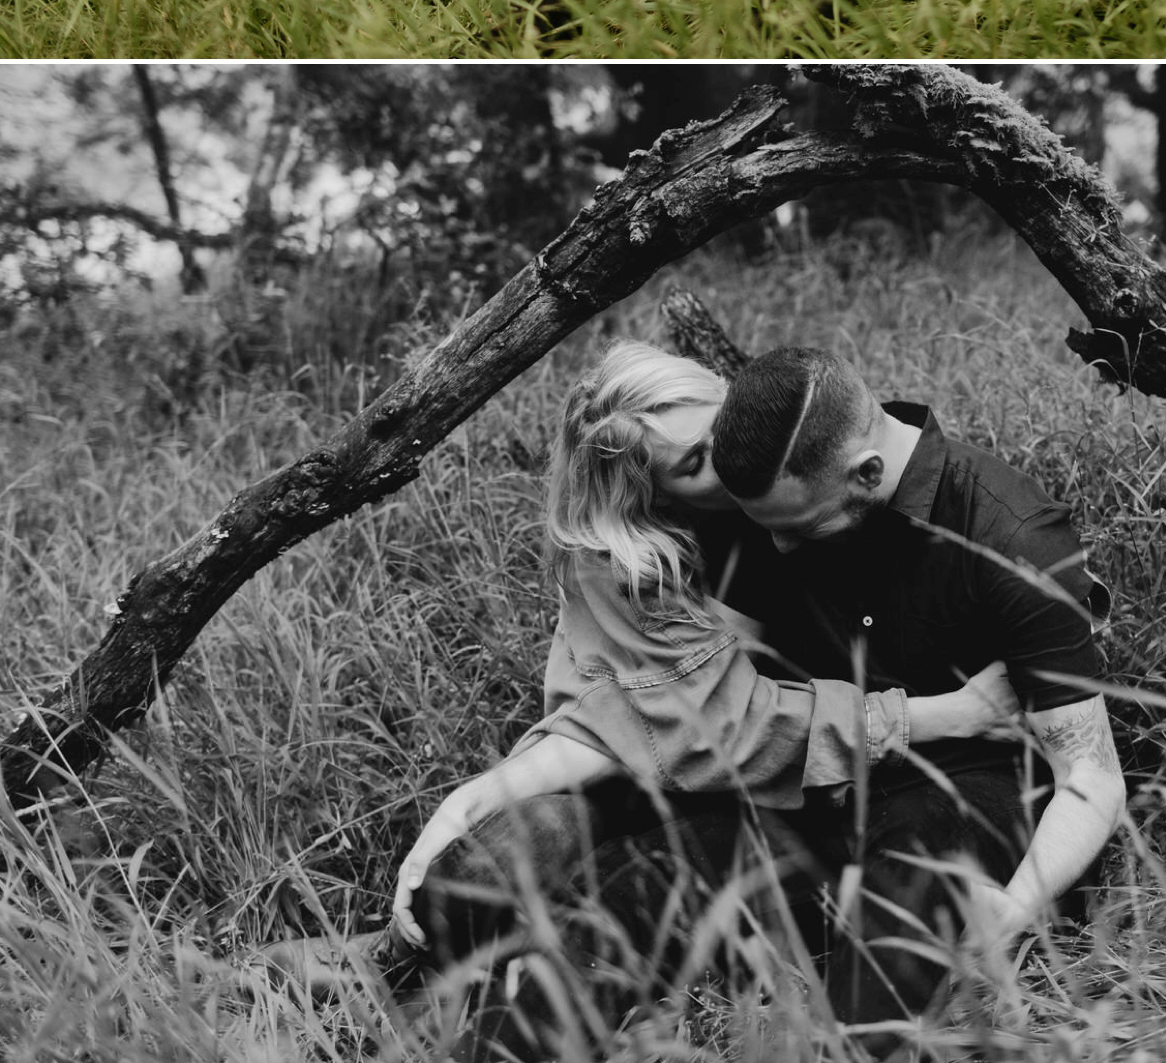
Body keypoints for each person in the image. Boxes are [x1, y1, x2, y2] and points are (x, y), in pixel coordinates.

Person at [391, 338, 1022, 1053]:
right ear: (649, 493)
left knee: (620, 883)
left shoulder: (793, 469)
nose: (728, 461)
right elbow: (669, 722)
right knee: (491, 859)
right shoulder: (629, 558)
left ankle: (478, 990)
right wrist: (493, 786)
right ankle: (404, 973)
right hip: (678, 768)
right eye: (695, 463)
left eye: (720, 432)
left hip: (775, 776)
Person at [705, 345, 1127, 1030]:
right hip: (809, 783)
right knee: (645, 863)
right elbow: (714, 697)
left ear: (868, 472)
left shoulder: (1012, 534)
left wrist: (1013, 909)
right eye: (766, 530)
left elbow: (1091, 775)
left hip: (958, 798)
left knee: (897, 917)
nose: (776, 550)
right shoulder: (773, 505)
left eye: (799, 530)